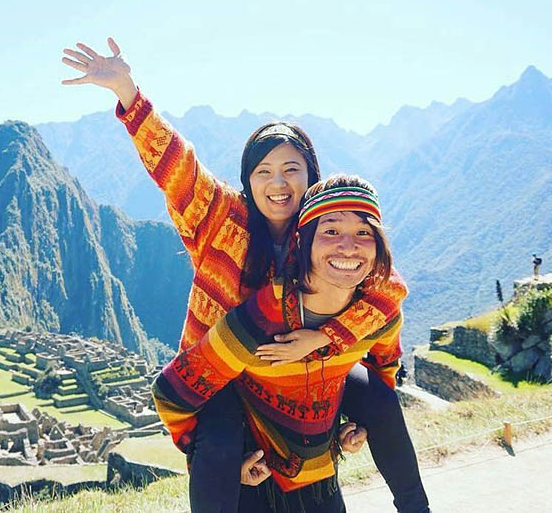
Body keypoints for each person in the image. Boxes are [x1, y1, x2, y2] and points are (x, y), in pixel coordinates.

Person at [61, 38, 429, 513]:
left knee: (378, 401)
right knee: (217, 447)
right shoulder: (220, 221)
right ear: (247, 179)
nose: (278, 184)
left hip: (301, 372)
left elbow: (386, 294)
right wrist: (129, 94)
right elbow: (177, 168)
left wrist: (328, 342)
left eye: (291, 170)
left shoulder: (330, 233)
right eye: (264, 171)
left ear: (311, 177)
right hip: (227, 370)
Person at [154, 174, 405, 512]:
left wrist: (360, 419)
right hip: (252, 462)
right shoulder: (265, 315)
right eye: (331, 231)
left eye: (364, 232)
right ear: (305, 242)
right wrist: (212, 459)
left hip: (316, 467)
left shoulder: (377, 309)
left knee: (382, 398)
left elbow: (383, 367)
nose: (348, 246)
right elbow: (174, 390)